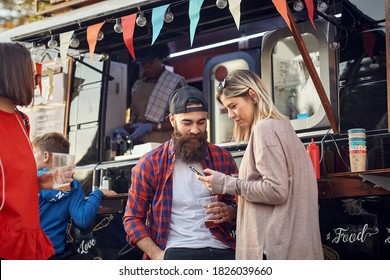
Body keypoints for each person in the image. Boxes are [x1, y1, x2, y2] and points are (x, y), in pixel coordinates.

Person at [196, 70, 324, 260]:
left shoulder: (264, 130)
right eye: (227, 109)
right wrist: (229, 179)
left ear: (252, 96)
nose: (230, 115)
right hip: (295, 247)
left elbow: (276, 190)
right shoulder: (282, 126)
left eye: (233, 106)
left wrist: (226, 184)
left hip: (273, 249)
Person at [123, 86, 238, 260]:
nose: (195, 130)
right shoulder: (150, 163)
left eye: (201, 122)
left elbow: (239, 207)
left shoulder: (222, 157)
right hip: (175, 249)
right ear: (172, 120)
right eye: (187, 123)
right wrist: (158, 255)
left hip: (221, 245)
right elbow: (132, 219)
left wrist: (230, 212)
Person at [0, 42, 73, 260]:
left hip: (26, 236)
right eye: (32, 74)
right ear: (11, 75)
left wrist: (39, 182)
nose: (36, 82)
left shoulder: (22, 120)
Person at [32, 132, 117, 259]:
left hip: (28, 253)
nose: (31, 158)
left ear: (45, 156)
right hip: (54, 254)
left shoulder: (31, 181)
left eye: (34, 154)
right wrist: (98, 193)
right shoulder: (73, 185)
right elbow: (83, 219)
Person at [122, 43, 187, 144]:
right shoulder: (137, 85)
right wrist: (123, 129)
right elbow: (134, 119)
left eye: (151, 63)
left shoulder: (175, 82)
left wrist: (151, 127)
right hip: (141, 143)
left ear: (161, 59)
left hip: (165, 142)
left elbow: (184, 120)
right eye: (143, 64)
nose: (147, 67)